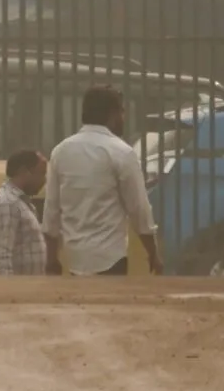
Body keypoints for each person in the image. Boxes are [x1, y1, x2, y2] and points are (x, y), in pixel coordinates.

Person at [41, 85, 161, 277]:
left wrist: (51, 259)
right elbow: (139, 209)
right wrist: (153, 253)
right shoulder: (122, 152)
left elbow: (51, 211)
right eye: (122, 111)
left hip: (74, 260)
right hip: (111, 260)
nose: (124, 118)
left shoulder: (60, 152)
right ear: (112, 114)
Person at [0, 148, 50, 276]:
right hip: (17, 292)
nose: (44, 180)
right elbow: (2, 257)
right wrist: (9, 291)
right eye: (41, 173)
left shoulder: (22, 203)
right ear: (23, 172)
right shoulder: (6, 203)